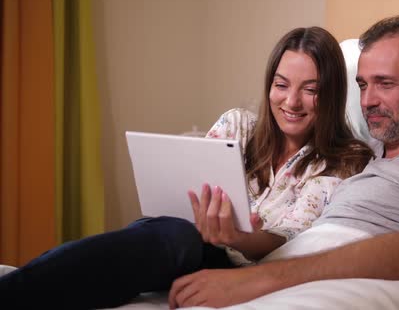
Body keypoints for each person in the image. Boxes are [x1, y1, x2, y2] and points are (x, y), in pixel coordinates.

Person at [0, 27, 373, 309]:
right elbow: (186, 189)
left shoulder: (345, 161)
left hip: (235, 265)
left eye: (311, 89)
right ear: (269, 86)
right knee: (166, 235)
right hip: (179, 240)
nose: (291, 101)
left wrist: (236, 236)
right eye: (281, 85)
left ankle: (12, 292)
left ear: (333, 93)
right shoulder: (238, 126)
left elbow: (289, 239)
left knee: (178, 238)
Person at [167, 14, 399, 308]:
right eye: (363, 85)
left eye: (385, 83)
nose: (368, 101)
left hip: (332, 281)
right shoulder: (367, 154)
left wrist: (256, 280)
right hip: (291, 268)